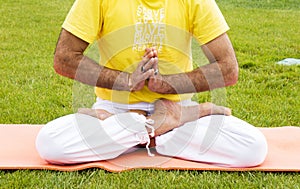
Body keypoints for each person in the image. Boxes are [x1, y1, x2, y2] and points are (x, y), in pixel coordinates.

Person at [35, 0, 268, 167]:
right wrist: (125, 80)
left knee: (252, 148)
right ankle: (152, 129)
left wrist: (168, 85)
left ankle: (134, 132)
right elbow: (64, 58)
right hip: (118, 109)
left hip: (173, 108)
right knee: (50, 145)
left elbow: (228, 68)